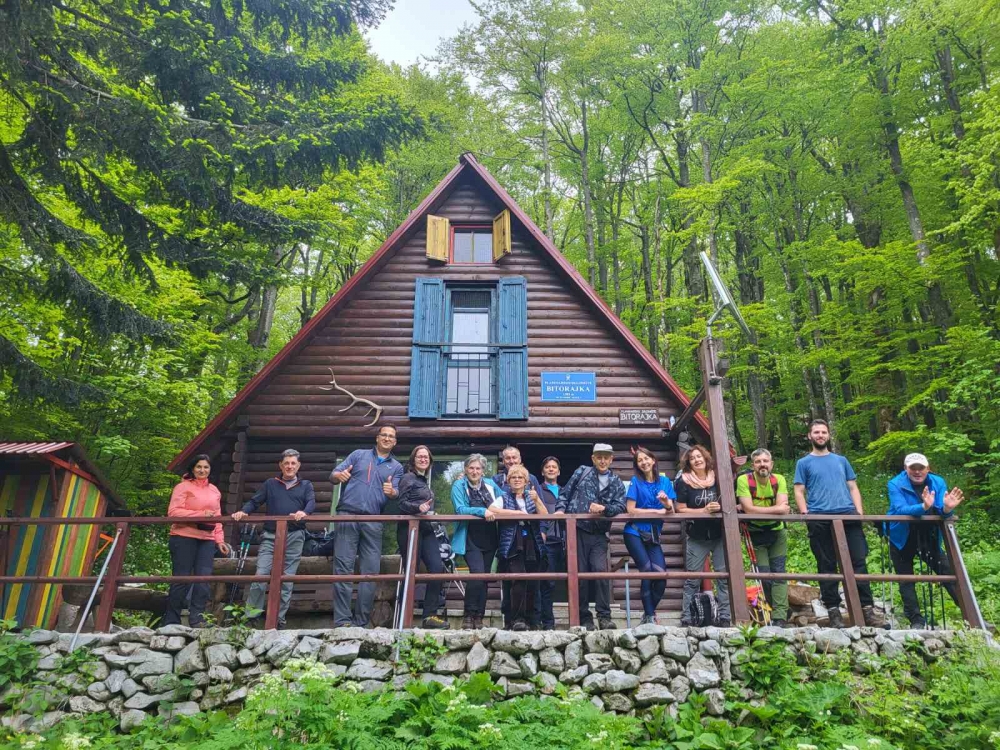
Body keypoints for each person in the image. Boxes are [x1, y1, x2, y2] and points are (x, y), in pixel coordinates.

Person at [793, 419, 884, 628]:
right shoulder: (803, 463)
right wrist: (806, 513)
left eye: (824, 432)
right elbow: (799, 490)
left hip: (847, 514)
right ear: (809, 436)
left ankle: (867, 610)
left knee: (858, 561)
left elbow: (853, 487)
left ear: (828, 435)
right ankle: (833, 611)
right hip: (819, 517)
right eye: (816, 432)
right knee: (826, 564)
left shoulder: (841, 460)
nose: (820, 435)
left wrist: (859, 512)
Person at [330, 425, 404, 627]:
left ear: (395, 442)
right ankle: (343, 622)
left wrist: (392, 492)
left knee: (370, 572)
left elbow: (397, 493)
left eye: (391, 436)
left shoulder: (397, 467)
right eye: (384, 435)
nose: (387, 438)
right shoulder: (358, 455)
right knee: (343, 568)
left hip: (374, 519)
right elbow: (334, 474)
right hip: (347, 515)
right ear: (377, 438)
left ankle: (361, 623)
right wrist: (338, 476)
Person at [232, 449, 315, 628]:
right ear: (280, 465)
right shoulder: (271, 484)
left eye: (293, 463)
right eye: (286, 463)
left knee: (286, 580)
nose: (290, 466)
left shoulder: (306, 485)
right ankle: (251, 618)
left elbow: (311, 503)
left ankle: (278, 619)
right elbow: (255, 501)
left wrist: (304, 512)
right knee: (260, 577)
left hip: (295, 536)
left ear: (298, 466)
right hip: (270, 536)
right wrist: (243, 511)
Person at [886, 452, 964, 628]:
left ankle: (970, 613)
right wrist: (923, 506)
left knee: (948, 571)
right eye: (913, 468)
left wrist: (947, 508)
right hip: (901, 536)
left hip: (928, 534)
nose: (917, 471)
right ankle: (916, 620)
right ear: (905, 469)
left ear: (927, 468)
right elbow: (900, 509)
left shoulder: (938, 482)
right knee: (906, 578)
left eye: (921, 468)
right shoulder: (895, 483)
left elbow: (942, 510)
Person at [556, 443, 627, 631]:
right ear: (593, 458)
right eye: (599, 457)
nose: (602, 461)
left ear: (611, 459)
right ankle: (584, 618)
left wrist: (604, 508)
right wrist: (560, 510)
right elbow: (565, 493)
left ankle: (604, 617)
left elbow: (620, 506)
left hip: (599, 534)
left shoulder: (616, 482)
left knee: (600, 572)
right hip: (578, 530)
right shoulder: (582, 472)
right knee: (580, 574)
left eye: (606, 457)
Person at [163, 454, 230, 627]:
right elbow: (173, 512)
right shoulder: (182, 487)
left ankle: (197, 619)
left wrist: (219, 540)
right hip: (183, 537)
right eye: (199, 467)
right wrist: (200, 515)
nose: (202, 470)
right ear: (193, 469)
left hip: (207, 539)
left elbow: (217, 518)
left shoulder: (214, 490)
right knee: (181, 579)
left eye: (206, 467)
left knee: (203, 580)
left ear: (210, 470)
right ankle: (172, 620)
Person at [674, 445, 731, 627]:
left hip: (719, 535)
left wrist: (720, 507)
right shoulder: (683, 482)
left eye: (699, 456)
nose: (697, 460)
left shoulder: (718, 478)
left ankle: (725, 617)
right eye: (692, 458)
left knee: (723, 577)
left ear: (705, 458)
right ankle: (686, 618)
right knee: (693, 579)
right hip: (697, 536)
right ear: (688, 463)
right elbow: (680, 509)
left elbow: (730, 501)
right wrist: (703, 511)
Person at [396, 445, 449, 629]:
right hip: (409, 529)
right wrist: (417, 508)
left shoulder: (424, 480)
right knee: (412, 571)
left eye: (426, 457)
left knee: (437, 568)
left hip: (426, 529)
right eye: (420, 456)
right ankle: (404, 617)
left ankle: (429, 616)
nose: (423, 459)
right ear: (413, 459)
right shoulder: (407, 478)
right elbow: (401, 504)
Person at [736, 448, 790, 626]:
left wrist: (754, 510)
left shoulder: (779, 479)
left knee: (779, 572)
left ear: (771, 464)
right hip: (755, 532)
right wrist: (776, 509)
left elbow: (783, 507)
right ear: (753, 465)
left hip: (777, 532)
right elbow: (749, 510)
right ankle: (773, 608)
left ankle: (780, 616)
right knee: (764, 575)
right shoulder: (744, 480)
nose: (762, 465)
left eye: (765, 461)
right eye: (758, 462)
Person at [623, 446, 676, 625]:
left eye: (646, 458)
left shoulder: (665, 482)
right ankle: (650, 617)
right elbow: (630, 509)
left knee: (661, 576)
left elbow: (671, 509)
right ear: (637, 465)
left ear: (653, 460)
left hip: (653, 535)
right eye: (640, 460)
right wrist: (657, 511)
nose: (644, 462)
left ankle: (648, 614)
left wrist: (666, 503)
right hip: (634, 532)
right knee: (646, 571)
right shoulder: (635, 481)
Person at [492, 445, 543, 628]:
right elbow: (491, 508)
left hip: (531, 541)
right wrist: (516, 514)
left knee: (533, 581)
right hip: (511, 541)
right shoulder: (500, 490)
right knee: (516, 580)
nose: (517, 480)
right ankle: (515, 620)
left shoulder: (532, 491)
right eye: (513, 477)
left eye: (520, 477)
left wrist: (537, 500)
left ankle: (533, 621)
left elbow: (544, 514)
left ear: (526, 480)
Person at [451, 454, 503, 629]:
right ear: (466, 470)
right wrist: (483, 511)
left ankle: (479, 617)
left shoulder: (490, 484)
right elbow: (460, 509)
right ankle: (468, 615)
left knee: (485, 577)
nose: (474, 471)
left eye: (478, 468)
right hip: (470, 537)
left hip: (490, 537)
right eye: (471, 468)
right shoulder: (459, 485)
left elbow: (504, 499)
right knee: (476, 574)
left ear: (483, 471)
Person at [537, 456, 565, 629]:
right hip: (547, 541)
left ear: (559, 471)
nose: (551, 469)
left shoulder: (565, 491)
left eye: (554, 467)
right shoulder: (538, 490)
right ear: (543, 471)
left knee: (571, 579)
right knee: (547, 582)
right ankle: (547, 623)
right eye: (548, 467)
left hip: (564, 541)